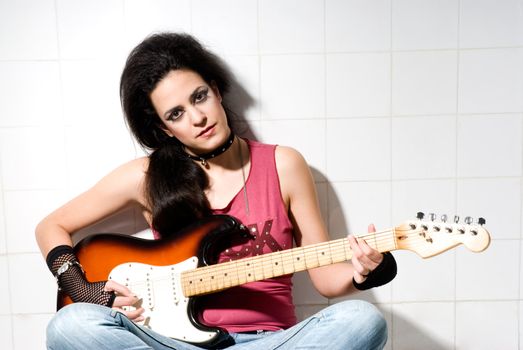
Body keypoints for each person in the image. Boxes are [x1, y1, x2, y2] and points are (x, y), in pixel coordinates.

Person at [36, 32, 397, 350]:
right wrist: (82, 290)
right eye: (175, 114)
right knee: (70, 325)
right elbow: (51, 226)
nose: (197, 118)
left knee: (363, 320)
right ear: (163, 129)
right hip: (174, 343)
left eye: (199, 96)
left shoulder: (284, 165)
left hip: (269, 341)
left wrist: (367, 270)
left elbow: (326, 278)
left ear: (217, 89)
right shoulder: (147, 177)